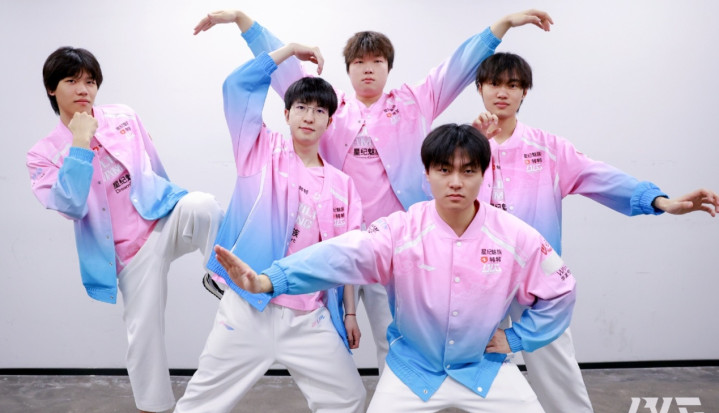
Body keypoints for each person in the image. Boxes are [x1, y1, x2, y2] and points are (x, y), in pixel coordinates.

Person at [194, 5, 553, 382]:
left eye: (377, 61)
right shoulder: (329, 109)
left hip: (393, 247)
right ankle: (324, 408)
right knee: (325, 339)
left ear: (388, 67)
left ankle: (396, 403)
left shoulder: (414, 102)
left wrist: (502, 25)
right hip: (335, 243)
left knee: (395, 337)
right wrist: (243, 22)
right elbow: (286, 71)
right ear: (348, 69)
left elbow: (457, 67)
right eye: (359, 62)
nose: (368, 68)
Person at [214, 123, 577, 413]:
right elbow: (340, 254)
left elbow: (561, 290)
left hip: (483, 366)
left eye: (468, 171)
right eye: (444, 169)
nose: (456, 182)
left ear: (484, 174)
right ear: (427, 175)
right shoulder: (401, 230)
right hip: (412, 369)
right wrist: (269, 281)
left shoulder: (515, 235)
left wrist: (516, 338)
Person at [470, 52, 719, 413]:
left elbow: (601, 177)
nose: (503, 92)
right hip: (481, 280)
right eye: (494, 83)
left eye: (513, 85)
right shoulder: (464, 148)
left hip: (538, 281)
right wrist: (474, 148)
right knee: (486, 378)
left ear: (524, 93)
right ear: (480, 88)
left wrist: (660, 201)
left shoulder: (548, 148)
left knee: (559, 377)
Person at [161, 41, 366, 413]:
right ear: (286, 114)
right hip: (248, 309)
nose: (309, 117)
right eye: (301, 108)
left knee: (349, 399)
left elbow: (347, 257)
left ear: (329, 121)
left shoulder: (343, 186)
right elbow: (236, 86)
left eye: (319, 111)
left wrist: (350, 313)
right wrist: (288, 50)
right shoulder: (260, 150)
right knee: (201, 403)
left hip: (308, 315)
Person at [26, 47, 224, 413]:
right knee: (144, 334)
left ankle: (217, 276)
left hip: (160, 217)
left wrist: (172, 201)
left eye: (90, 81)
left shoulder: (123, 116)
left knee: (204, 205)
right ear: (52, 88)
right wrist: (79, 142)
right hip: (128, 253)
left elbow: (153, 164)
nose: (84, 89)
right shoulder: (42, 155)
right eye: (72, 81)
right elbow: (70, 204)